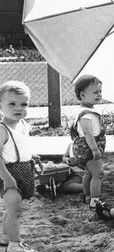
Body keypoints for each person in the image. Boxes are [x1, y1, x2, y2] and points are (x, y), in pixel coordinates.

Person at [0, 81, 37, 252]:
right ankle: (14, 245)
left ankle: (4, 237)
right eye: (12, 104)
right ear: (1, 105)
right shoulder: (2, 129)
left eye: (24, 104)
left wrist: (32, 156)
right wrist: (7, 178)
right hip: (7, 173)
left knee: (13, 207)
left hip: (23, 169)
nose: (18, 108)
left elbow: (22, 146)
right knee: (15, 210)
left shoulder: (23, 125)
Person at [71, 75, 106, 208]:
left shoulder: (87, 110)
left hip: (85, 147)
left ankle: (87, 196)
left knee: (89, 173)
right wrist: (95, 149)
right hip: (89, 147)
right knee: (98, 173)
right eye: (95, 92)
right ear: (82, 95)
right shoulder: (86, 114)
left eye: (100, 92)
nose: (99, 95)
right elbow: (87, 133)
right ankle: (95, 201)